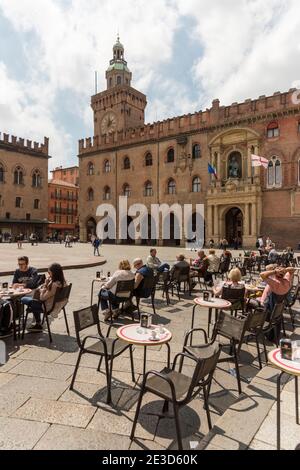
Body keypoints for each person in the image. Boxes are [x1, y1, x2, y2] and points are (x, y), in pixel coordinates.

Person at [21, 263, 67, 332]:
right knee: (32, 301)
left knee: (23, 299)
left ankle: (38, 323)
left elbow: (42, 298)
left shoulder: (54, 285)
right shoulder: (63, 282)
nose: (49, 274)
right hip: (56, 304)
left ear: (54, 273)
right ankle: (38, 323)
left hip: (47, 306)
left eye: (49, 272)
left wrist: (43, 287)